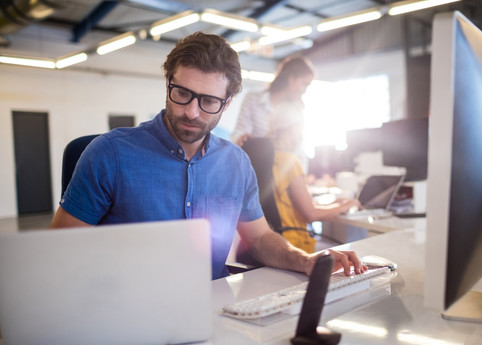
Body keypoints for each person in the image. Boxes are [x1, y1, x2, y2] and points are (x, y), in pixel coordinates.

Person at [49, 32, 366, 280]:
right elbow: (59, 254)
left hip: (216, 310)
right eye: (182, 93)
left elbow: (259, 239)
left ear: (227, 104)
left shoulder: (236, 163)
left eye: (209, 101)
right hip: (131, 308)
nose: (191, 111)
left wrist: (306, 260)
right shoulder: (109, 154)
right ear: (168, 83)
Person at [269, 101, 360, 253]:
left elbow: (293, 206)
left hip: (274, 241)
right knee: (354, 250)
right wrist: (346, 206)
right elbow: (310, 214)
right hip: (294, 244)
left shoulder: (267, 159)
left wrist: (334, 205)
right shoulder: (289, 162)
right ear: (292, 128)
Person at [230, 56, 314, 146]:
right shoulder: (253, 98)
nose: (304, 90)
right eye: (304, 84)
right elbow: (239, 131)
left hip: (283, 158)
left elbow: (298, 146)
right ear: (291, 78)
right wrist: (241, 139)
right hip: (253, 156)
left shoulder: (297, 110)